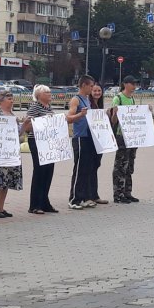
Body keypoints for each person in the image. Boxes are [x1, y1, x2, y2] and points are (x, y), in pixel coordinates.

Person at [0, 89, 29, 218]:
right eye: (9, 99)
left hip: (11, 153)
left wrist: (24, 125)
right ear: (1, 101)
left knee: (6, 181)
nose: (12, 101)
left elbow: (17, 134)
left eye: (12, 99)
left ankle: (0, 207)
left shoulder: (12, 115)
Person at [26, 84, 59, 215]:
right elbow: (28, 126)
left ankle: (45, 202)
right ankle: (34, 204)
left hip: (49, 142)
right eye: (46, 92)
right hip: (37, 141)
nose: (49, 94)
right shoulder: (34, 107)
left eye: (50, 92)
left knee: (49, 171)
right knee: (39, 171)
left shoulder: (49, 107)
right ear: (39, 95)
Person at [66, 75, 97, 210]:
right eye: (91, 86)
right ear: (84, 85)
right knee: (79, 169)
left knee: (86, 168)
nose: (92, 88)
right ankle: (74, 199)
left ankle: (83, 197)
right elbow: (69, 118)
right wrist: (80, 115)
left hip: (88, 136)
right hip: (79, 137)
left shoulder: (87, 100)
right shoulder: (76, 99)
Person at [111, 75, 140, 203]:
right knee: (120, 166)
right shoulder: (118, 99)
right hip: (121, 136)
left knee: (130, 165)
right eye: (132, 84)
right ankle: (118, 194)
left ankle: (127, 192)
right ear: (125, 84)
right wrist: (115, 113)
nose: (134, 86)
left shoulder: (132, 99)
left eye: (135, 84)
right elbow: (113, 120)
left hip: (132, 137)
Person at [89, 83, 109, 205]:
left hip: (99, 140)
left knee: (95, 166)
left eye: (99, 90)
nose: (97, 93)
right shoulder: (89, 104)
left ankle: (94, 194)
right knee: (89, 168)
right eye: (95, 90)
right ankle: (88, 195)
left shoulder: (99, 105)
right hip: (90, 140)